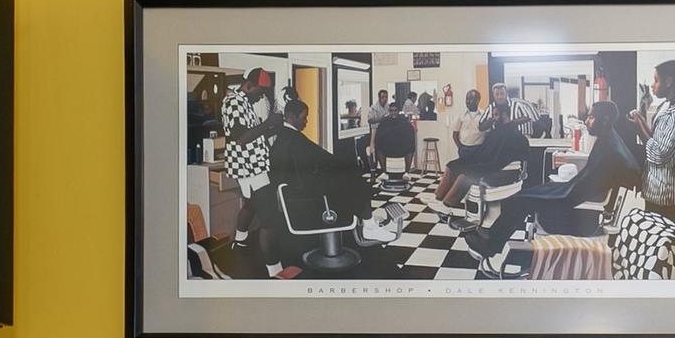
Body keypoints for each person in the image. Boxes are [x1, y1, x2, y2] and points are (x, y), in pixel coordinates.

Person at [256, 100, 404, 276]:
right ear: (292, 117)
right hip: (304, 197)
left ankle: (369, 224)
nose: (306, 122)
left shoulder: (285, 137)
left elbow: (311, 162)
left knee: (350, 178)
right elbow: (316, 162)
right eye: (304, 118)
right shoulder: (293, 139)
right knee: (356, 181)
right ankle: (369, 226)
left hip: (296, 191)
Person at [481, 99, 644, 251]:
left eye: (591, 117)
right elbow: (589, 180)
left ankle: (491, 245)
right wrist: (558, 187)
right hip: (581, 195)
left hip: (584, 214)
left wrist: (557, 191)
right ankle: (492, 238)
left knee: (519, 199)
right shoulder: (609, 141)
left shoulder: (608, 148)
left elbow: (584, 188)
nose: (587, 121)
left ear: (605, 119)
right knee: (529, 193)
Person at [431, 102, 528, 212]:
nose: (494, 118)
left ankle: (447, 205)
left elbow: (514, 155)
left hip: (495, 166)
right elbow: (486, 149)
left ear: (505, 115)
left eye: (496, 115)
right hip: (485, 160)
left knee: (465, 175)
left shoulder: (515, 135)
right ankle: (437, 199)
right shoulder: (496, 131)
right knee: (452, 165)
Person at [626, 59, 675, 216]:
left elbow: (659, 154)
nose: (652, 85)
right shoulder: (666, 105)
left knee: (663, 235)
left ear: (669, 81)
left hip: (668, 190)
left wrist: (639, 130)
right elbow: (658, 139)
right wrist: (641, 122)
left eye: (656, 80)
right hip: (658, 186)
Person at [219, 69, 277, 247]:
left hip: (255, 164)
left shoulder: (245, 102)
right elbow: (242, 138)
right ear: (249, 85)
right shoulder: (233, 103)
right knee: (269, 214)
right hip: (248, 166)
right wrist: (269, 123)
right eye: (259, 93)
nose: (260, 98)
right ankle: (273, 267)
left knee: (251, 204)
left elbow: (253, 134)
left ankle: (240, 241)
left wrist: (272, 128)